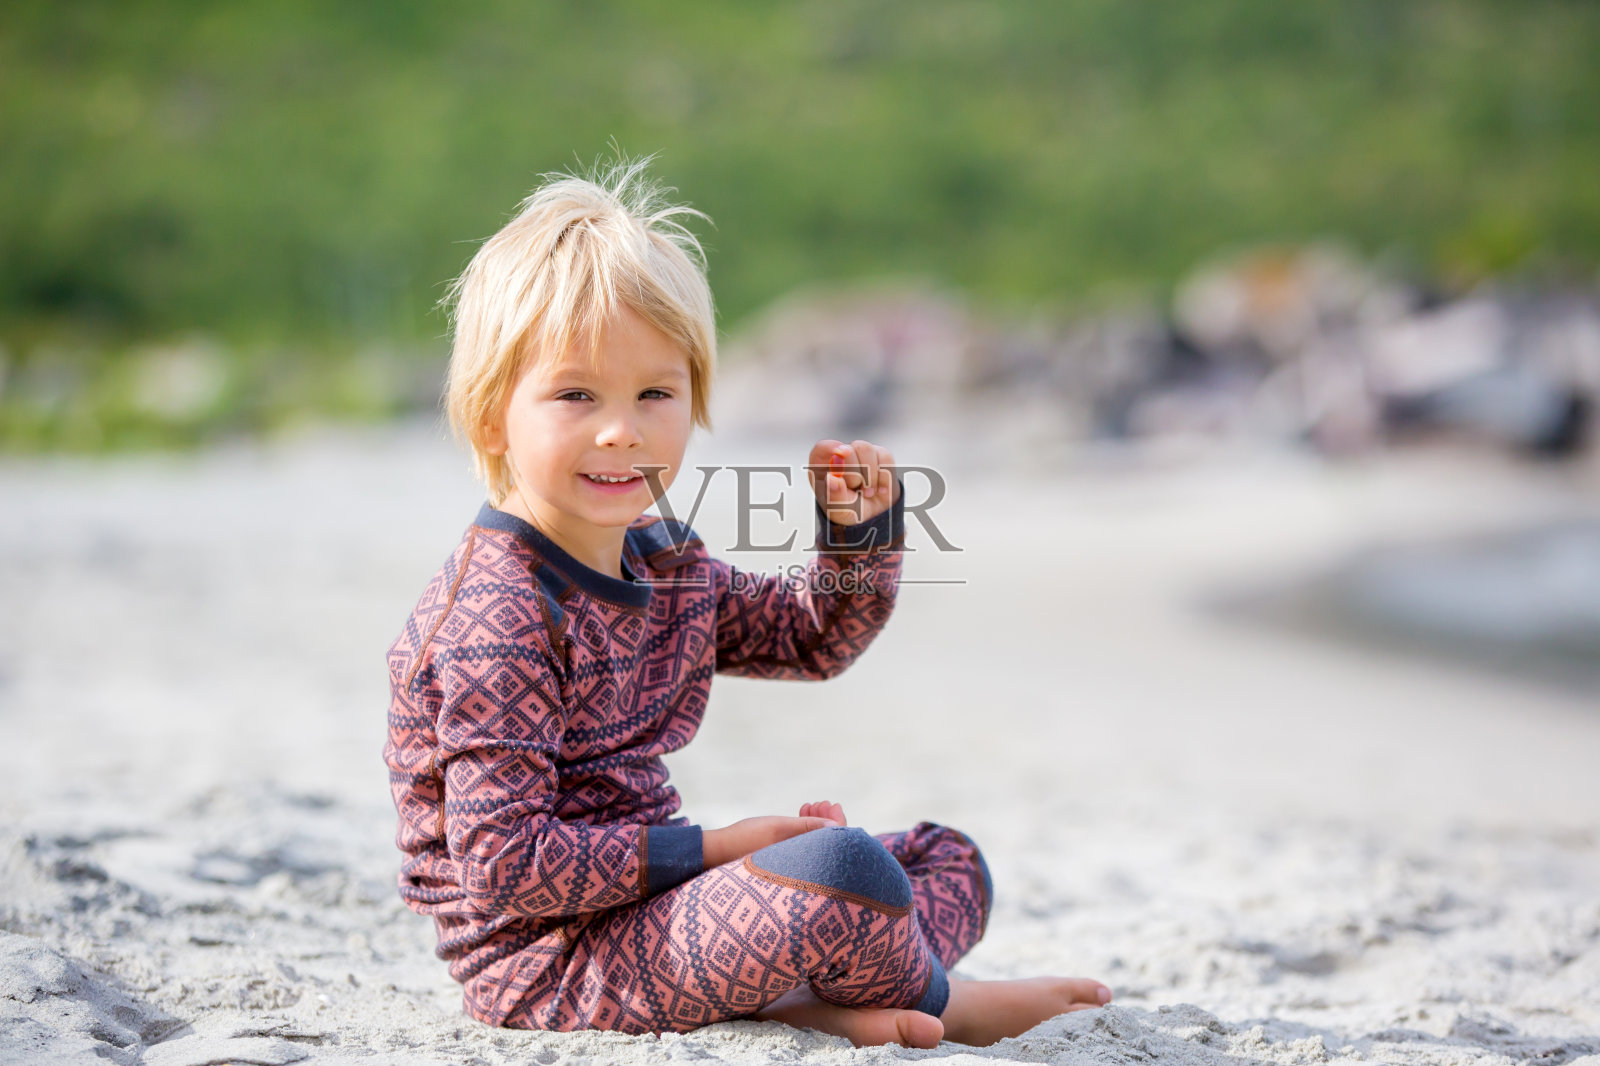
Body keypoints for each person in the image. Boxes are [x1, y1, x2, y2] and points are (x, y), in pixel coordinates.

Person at [383, 155, 1111, 1048]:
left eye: (656, 393)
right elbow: (506, 868)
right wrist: (725, 847)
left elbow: (812, 639)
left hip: (660, 915)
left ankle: (812, 989)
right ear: (494, 414)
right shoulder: (502, 616)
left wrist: (858, 538)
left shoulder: (661, 562)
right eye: (576, 395)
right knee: (842, 868)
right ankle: (944, 1003)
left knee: (938, 857)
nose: (622, 428)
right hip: (557, 963)